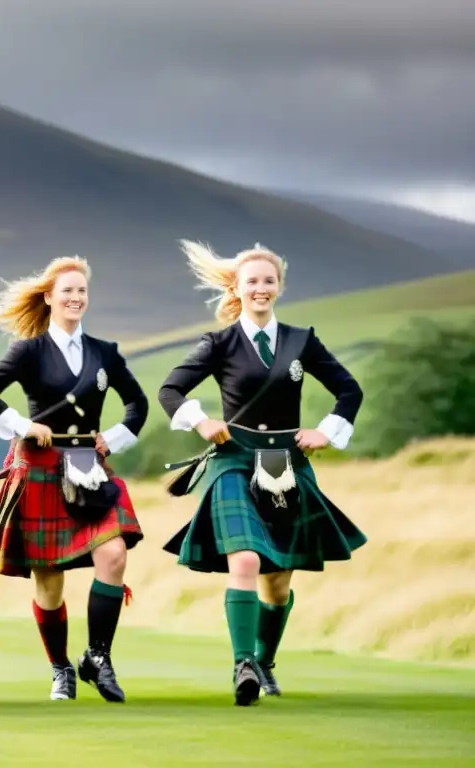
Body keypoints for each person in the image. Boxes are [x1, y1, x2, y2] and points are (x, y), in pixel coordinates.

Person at [157, 240, 366, 706]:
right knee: (247, 560)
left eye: (268, 281)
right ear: (237, 287)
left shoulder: (301, 341)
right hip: (234, 459)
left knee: (279, 579)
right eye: (252, 281)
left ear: (279, 287)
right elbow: (170, 388)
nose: (261, 288)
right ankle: (243, 664)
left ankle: (266, 662)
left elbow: (349, 391)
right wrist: (201, 420)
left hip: (288, 463)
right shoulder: (220, 342)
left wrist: (326, 432)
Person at [0, 256, 148, 703]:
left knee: (114, 552)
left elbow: (137, 404)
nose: (75, 298)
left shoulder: (106, 352)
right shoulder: (28, 351)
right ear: (48, 297)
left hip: (90, 466)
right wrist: (23, 427)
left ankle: (98, 657)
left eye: (82, 291)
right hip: (42, 468)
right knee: (48, 579)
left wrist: (115, 437)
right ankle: (60, 668)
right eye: (67, 291)